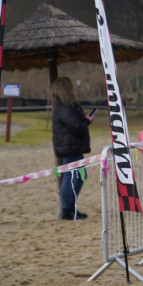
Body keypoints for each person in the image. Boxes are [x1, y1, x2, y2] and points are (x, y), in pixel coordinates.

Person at [51, 77, 95, 220]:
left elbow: (75, 122)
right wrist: (86, 123)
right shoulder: (64, 106)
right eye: (72, 88)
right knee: (71, 177)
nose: (74, 90)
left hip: (73, 146)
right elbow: (75, 126)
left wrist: (84, 120)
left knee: (80, 177)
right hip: (69, 147)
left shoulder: (69, 105)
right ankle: (66, 209)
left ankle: (70, 206)